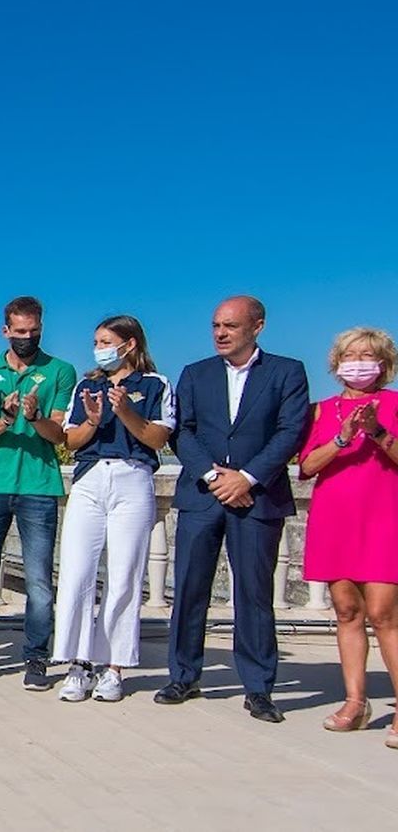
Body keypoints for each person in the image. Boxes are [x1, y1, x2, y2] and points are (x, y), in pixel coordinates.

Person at [157, 296, 309, 723]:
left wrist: (246, 478)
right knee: (189, 589)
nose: (221, 333)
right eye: (216, 326)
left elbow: (291, 431)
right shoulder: (195, 374)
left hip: (258, 499)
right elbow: (181, 433)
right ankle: (183, 675)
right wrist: (213, 476)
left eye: (231, 326)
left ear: (257, 326)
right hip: (202, 497)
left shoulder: (287, 372)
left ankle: (258, 688)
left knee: (254, 595)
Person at [53, 316, 173, 703]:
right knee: (75, 573)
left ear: (130, 345)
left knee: (123, 574)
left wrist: (125, 412)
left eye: (106, 341)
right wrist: (91, 420)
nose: (99, 347)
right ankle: (77, 662)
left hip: (132, 477)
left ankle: (114, 667)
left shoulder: (155, 385)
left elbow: (157, 437)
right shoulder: (87, 385)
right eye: (96, 340)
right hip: (90, 479)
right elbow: (70, 440)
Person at [0, 296, 76, 690]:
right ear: (5, 331)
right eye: (20, 332)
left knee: (40, 580)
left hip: (39, 487)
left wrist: (35, 417)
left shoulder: (60, 370)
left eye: (34, 332)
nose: (27, 338)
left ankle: (36, 658)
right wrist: (7, 420)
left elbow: (60, 436)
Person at [296, 326, 398, 746]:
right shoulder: (322, 410)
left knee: (384, 613)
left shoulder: (394, 405)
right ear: (337, 364)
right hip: (336, 516)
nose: (358, 363)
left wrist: (376, 432)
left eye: (367, 356)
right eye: (350, 355)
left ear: (383, 365)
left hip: (383, 515)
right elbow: (307, 465)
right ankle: (355, 701)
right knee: (346, 611)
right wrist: (342, 438)